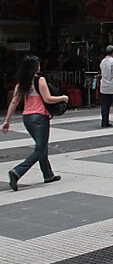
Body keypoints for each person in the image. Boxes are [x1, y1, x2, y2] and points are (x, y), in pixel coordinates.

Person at [3, 55, 68, 191]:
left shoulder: (22, 83)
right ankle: (17, 172)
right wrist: (63, 97)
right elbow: (48, 99)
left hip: (27, 118)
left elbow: (14, 102)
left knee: (41, 146)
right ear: (35, 67)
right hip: (39, 117)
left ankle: (48, 174)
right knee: (40, 148)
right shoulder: (40, 80)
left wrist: (7, 121)